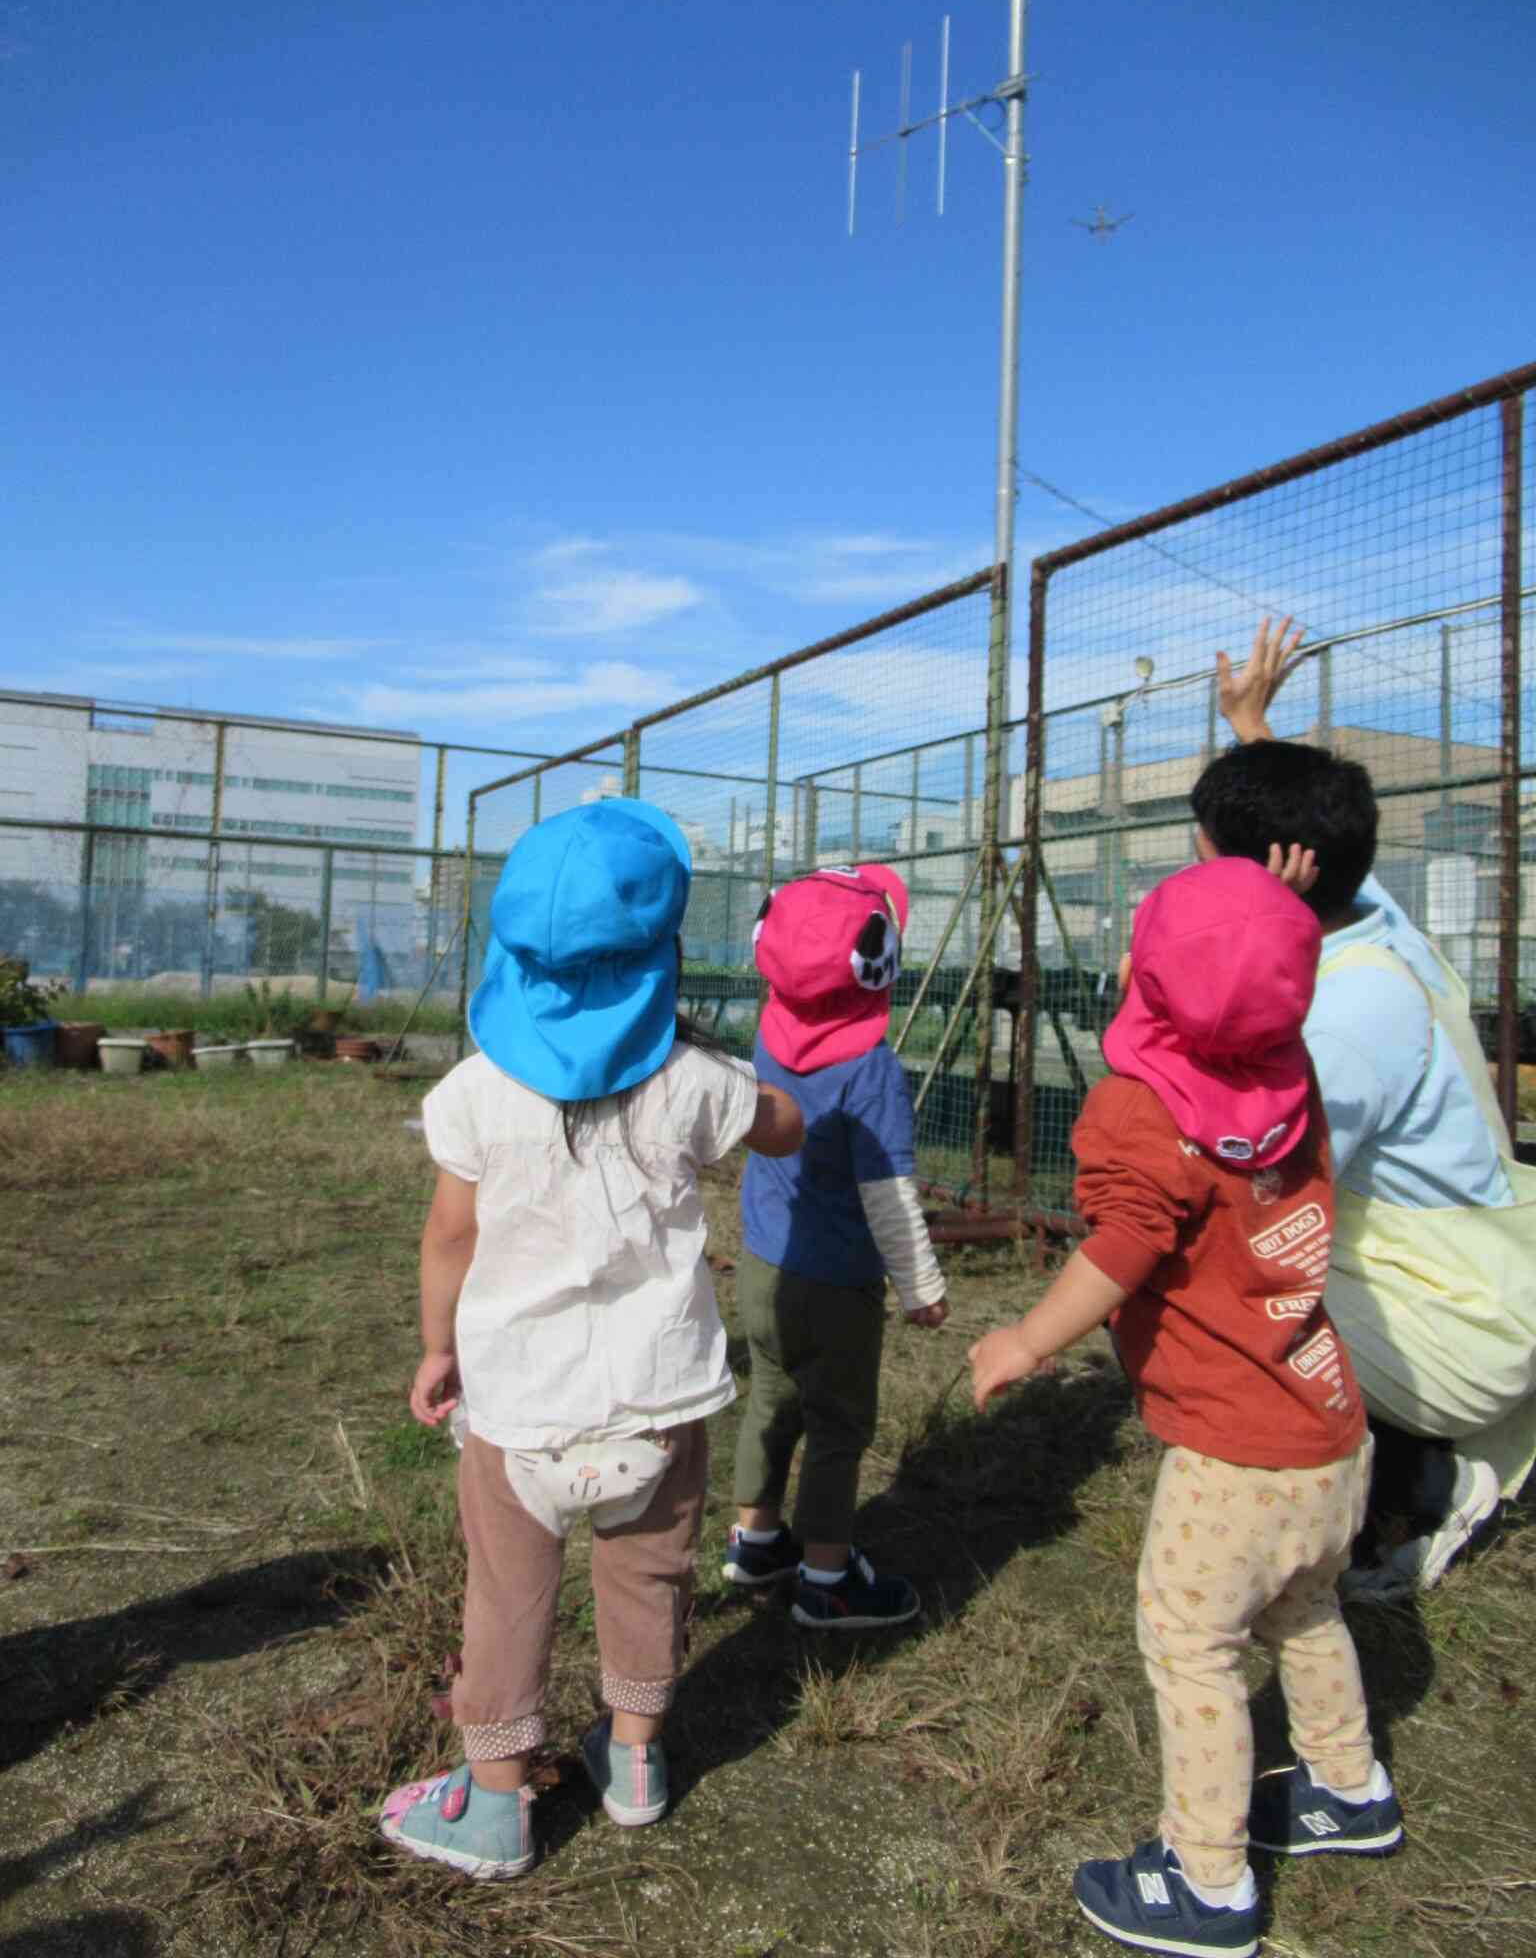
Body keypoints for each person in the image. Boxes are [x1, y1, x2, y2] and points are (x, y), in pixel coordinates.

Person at [970, 856, 1402, 1958]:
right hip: (1330, 1423)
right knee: (1304, 1604)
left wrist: (1025, 1336)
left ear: (1136, 975)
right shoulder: (1287, 1068)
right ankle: (1346, 1786)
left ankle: (1206, 1879)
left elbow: (1121, 1247)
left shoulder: (1142, 1110)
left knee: (1188, 1635)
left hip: (1237, 1451)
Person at [378, 798, 802, 1879]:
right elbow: (783, 1125)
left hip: (518, 1416)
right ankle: (636, 1761)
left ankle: (497, 1802)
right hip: (660, 1409)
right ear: (660, 952)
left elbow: (449, 1234)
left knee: (506, 1596)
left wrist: (439, 1348)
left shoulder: (473, 1091)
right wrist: (766, 1090)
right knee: (647, 1583)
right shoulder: (695, 1079)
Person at [1192, 619, 1536, 1601]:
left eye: (1211, 859)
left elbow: (1248, 1173)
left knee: (1212, 1281)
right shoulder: (1370, 924)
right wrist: (1251, 725)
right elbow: (1311, 841)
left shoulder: (1337, 1014)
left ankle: (1406, 1487)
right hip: (1485, 1267)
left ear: (1270, 875)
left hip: (1457, 1320)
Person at [722, 864, 950, 1629]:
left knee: (770, 1398)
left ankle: (754, 1541)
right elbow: (886, 1192)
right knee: (837, 1427)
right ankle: (826, 1577)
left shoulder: (767, 1036)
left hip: (762, 1263)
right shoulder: (871, 1070)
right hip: (838, 1284)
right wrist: (920, 1285)